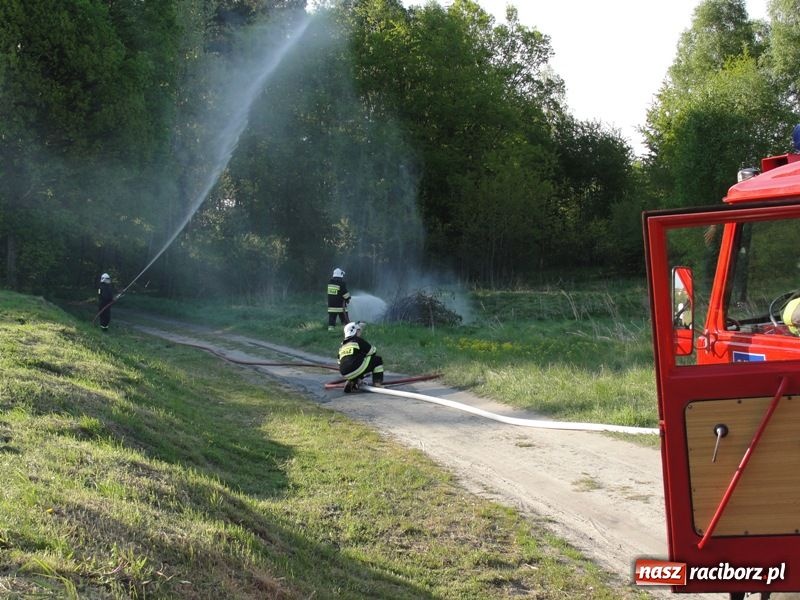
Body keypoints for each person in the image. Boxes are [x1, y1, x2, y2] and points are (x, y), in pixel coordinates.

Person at [338, 321, 384, 392]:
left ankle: (352, 381)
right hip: (356, 368)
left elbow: (339, 361)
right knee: (377, 360)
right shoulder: (357, 340)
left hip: (344, 373)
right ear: (354, 331)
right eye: (358, 331)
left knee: (358, 364)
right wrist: (363, 355)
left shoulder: (342, 346)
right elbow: (373, 351)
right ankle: (377, 384)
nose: (360, 333)